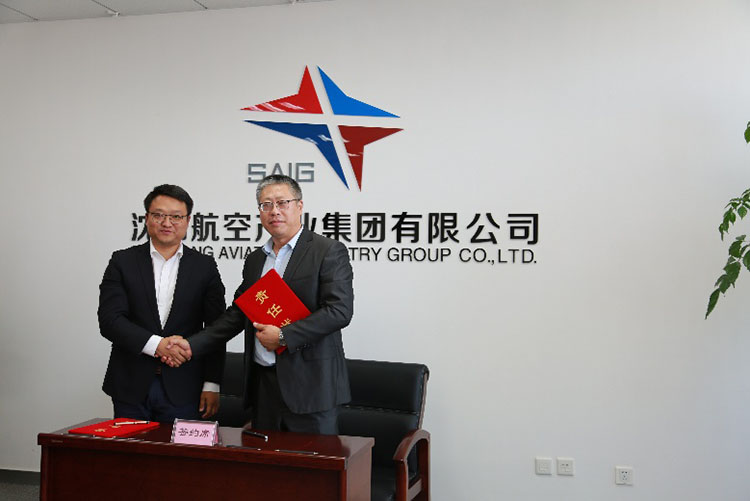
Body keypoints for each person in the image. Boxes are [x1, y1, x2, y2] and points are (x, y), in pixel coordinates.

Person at [165, 174, 353, 434]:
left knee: (311, 462)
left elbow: (339, 310)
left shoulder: (327, 250)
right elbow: (237, 314)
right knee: (265, 460)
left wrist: (284, 336)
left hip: (311, 387)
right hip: (264, 386)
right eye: (266, 205)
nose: (274, 211)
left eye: (282, 202)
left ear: (299, 206)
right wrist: (191, 344)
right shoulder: (256, 259)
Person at [98, 184, 226, 422]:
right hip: (131, 384)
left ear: (188, 221)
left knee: (179, 448)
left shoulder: (204, 267)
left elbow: (216, 328)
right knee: (131, 447)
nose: (167, 223)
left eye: (176, 216)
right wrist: (158, 345)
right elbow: (110, 320)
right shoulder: (122, 262)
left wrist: (212, 383)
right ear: (147, 219)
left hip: (186, 386)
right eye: (159, 215)